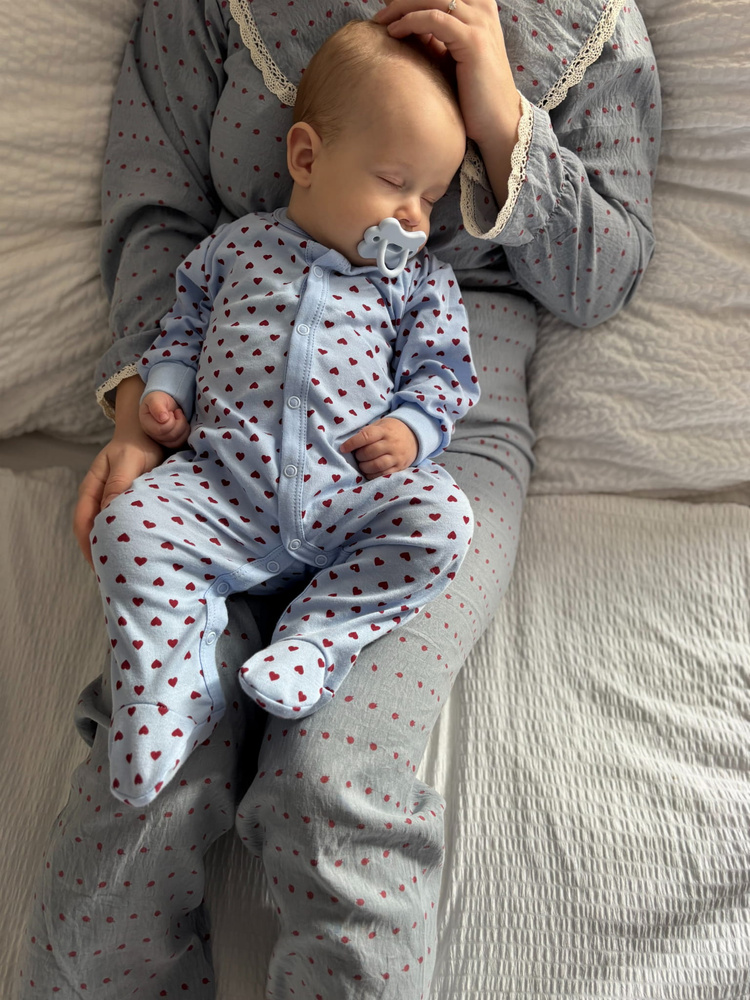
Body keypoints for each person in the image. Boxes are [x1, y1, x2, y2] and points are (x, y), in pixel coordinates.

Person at [18, 1, 661, 997]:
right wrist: (145, 408)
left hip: (433, 439)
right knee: (150, 761)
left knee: (333, 780)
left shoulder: (592, 28)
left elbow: (603, 277)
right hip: (228, 410)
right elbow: (157, 210)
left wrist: (502, 118)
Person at [90, 20, 479, 808]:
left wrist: (412, 430)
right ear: (305, 158)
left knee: (443, 518)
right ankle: (169, 688)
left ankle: (315, 643)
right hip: (222, 488)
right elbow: (182, 325)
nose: (414, 217)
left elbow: (446, 375)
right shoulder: (233, 249)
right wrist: (166, 389)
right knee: (124, 523)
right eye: (394, 182)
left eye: (431, 197)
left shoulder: (417, 285)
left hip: (346, 496)